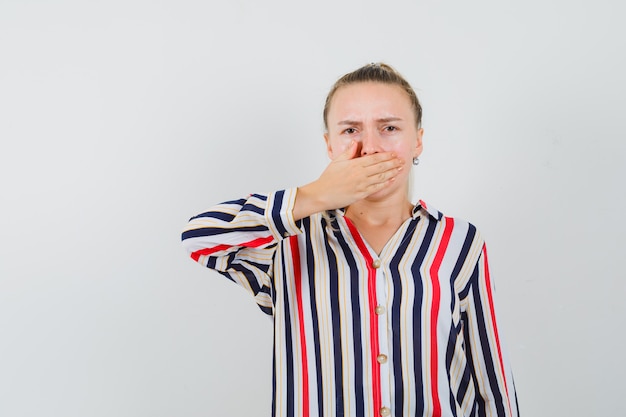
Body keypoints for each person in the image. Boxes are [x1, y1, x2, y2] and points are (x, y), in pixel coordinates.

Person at [181, 63, 519, 417]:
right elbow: (198, 238)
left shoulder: (460, 242)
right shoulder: (287, 241)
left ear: (417, 140)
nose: (369, 148)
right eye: (350, 130)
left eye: (389, 128)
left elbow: (488, 379)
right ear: (329, 144)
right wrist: (316, 194)